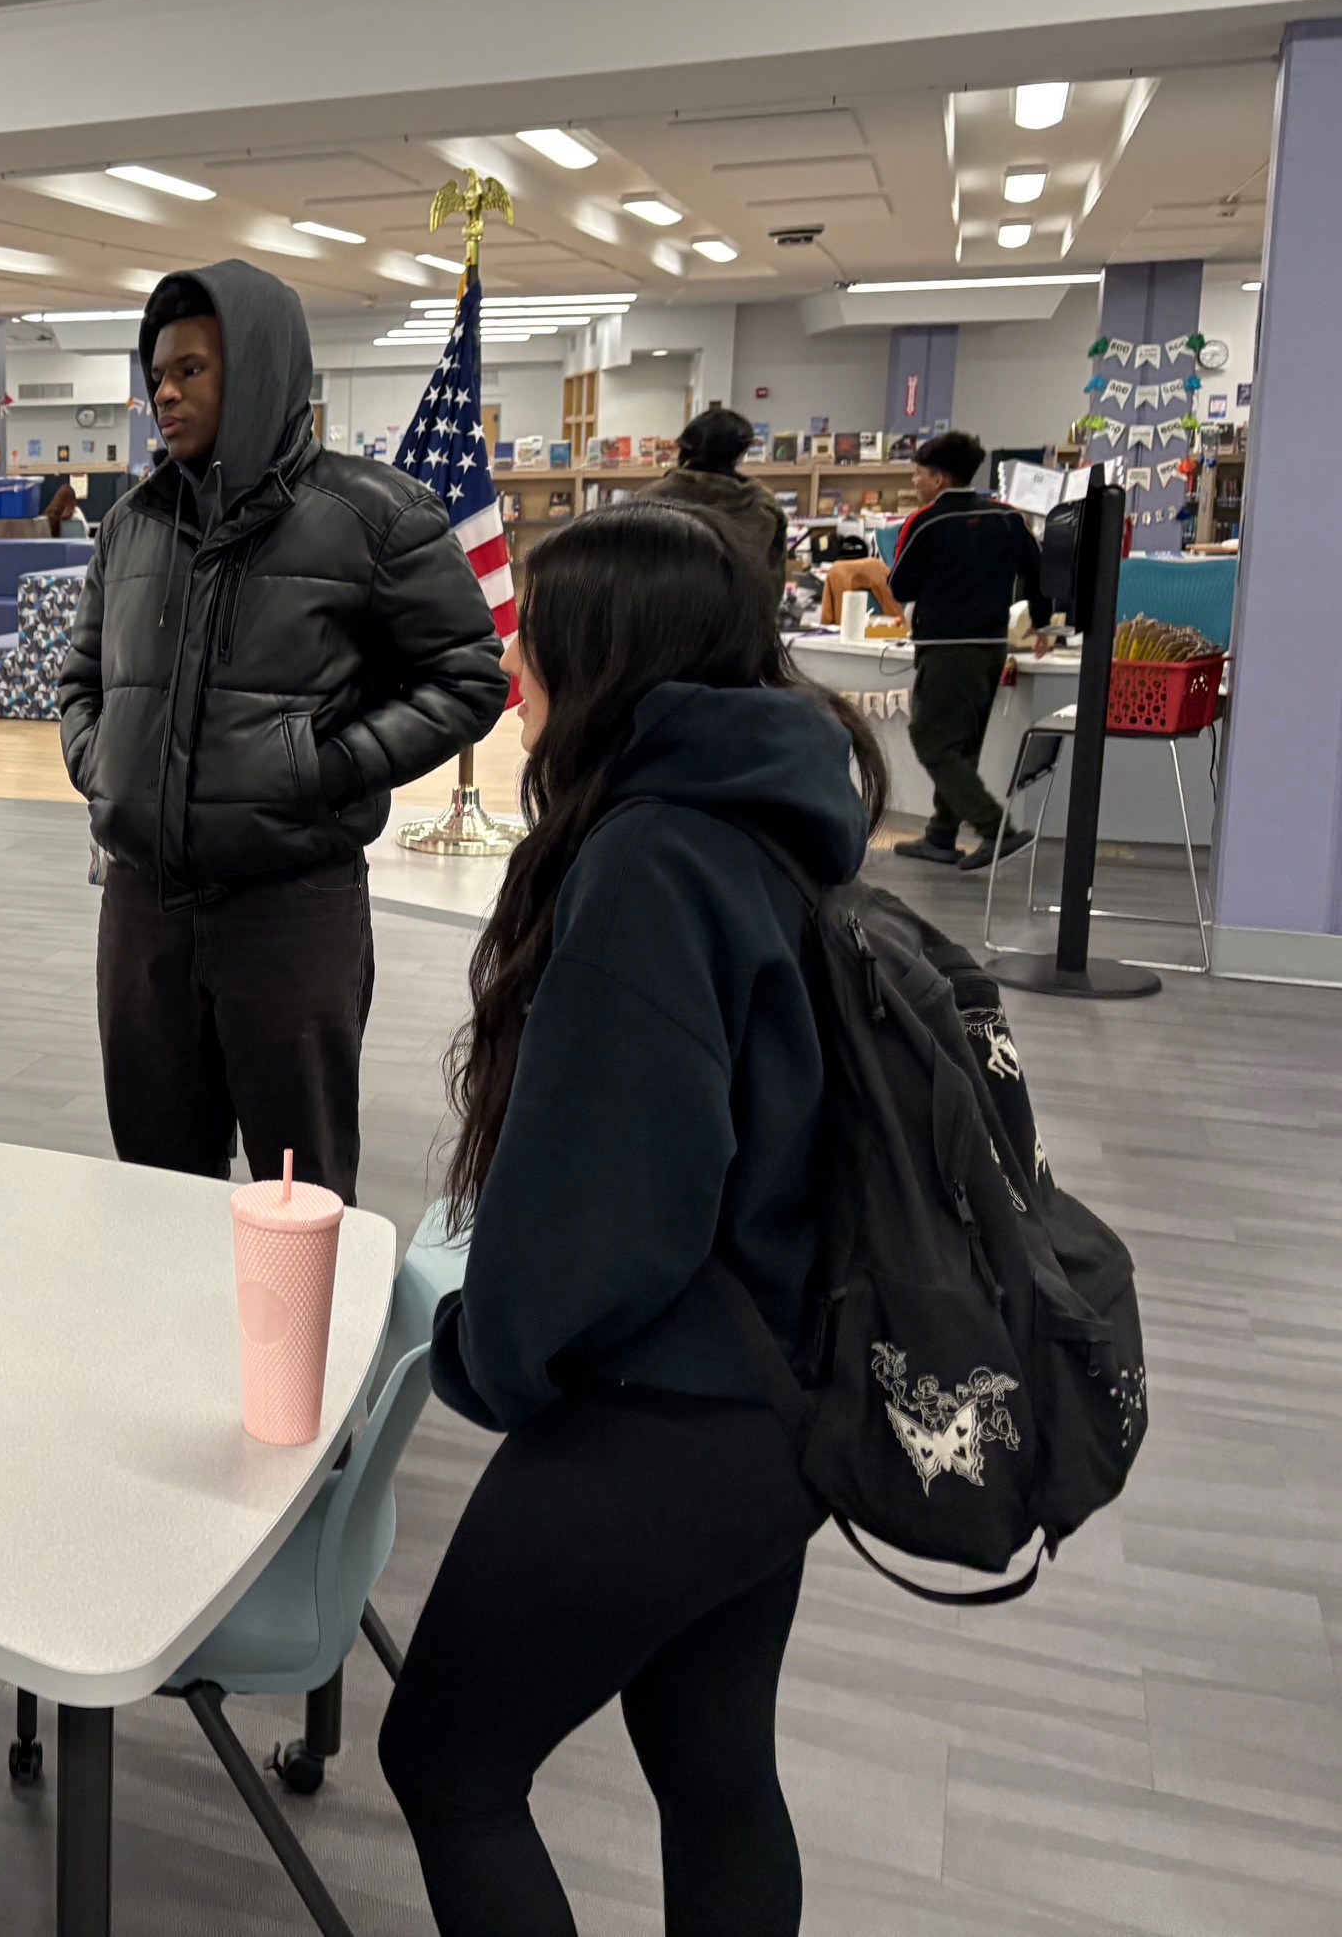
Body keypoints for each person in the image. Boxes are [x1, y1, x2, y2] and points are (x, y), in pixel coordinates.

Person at [377, 505, 883, 1937]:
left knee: (448, 1763)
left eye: (531, 633)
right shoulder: (773, 820)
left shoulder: (651, 864)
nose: (512, 663)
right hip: (777, 1390)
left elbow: (609, 1207)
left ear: (602, 657)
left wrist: (486, 1348)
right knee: (716, 1769)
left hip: (671, 1409)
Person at [58, 259, 507, 1204]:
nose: (165, 393)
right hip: (143, 910)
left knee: (299, 1191)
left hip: (289, 910)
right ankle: (174, 1351)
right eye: (156, 375)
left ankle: (304, 1353)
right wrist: (106, 771)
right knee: (154, 1182)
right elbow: (82, 678)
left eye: (191, 369)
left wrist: (327, 763)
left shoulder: (374, 517)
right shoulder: (131, 526)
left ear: (256, 369)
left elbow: (468, 678)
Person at [884, 429, 1051, 868]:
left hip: (945, 646)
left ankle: (998, 830)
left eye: (918, 474)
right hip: (992, 645)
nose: (915, 482)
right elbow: (1040, 573)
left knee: (932, 742)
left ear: (938, 478)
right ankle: (941, 836)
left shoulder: (927, 522)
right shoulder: (1008, 519)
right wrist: (1044, 624)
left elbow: (900, 584)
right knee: (962, 744)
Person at [638, 407, 788, 601]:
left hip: (659, 619)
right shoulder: (763, 508)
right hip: (739, 623)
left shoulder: (649, 500)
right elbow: (772, 583)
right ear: (740, 452)